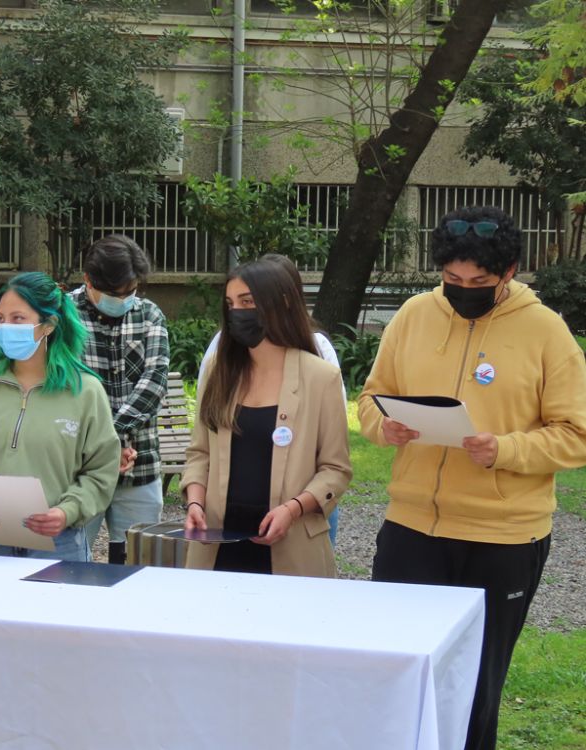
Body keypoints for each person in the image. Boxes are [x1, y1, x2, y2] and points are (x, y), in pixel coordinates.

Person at [358, 206, 586, 750]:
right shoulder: (413, 315)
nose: (463, 290)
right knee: (397, 669)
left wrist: (505, 449)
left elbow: (576, 432)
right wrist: (382, 426)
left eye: (479, 283)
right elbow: (370, 396)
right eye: (452, 280)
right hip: (411, 527)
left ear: (509, 272)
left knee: (476, 685)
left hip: (502, 537)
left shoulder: (547, 331)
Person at [182, 258, 352, 575]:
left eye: (247, 302)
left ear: (282, 303)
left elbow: (335, 469)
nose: (238, 313)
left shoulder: (321, 377)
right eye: (231, 304)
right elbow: (199, 453)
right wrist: (194, 502)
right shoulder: (218, 372)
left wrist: (293, 508)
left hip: (292, 547)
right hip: (218, 546)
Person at [0, 272, 121, 562]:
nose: (6, 327)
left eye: (18, 318)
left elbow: (102, 470)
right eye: (1, 318)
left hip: (59, 546)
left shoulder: (86, 392)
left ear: (48, 325)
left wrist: (66, 511)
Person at [71, 235, 170, 564]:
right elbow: (62, 387)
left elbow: (153, 384)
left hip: (139, 464)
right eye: (115, 294)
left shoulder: (150, 315)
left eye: (131, 291)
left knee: (138, 564)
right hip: (75, 467)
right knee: (67, 562)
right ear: (88, 280)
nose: (125, 299)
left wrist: (112, 439)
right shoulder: (62, 317)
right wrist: (105, 448)